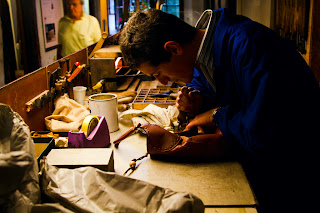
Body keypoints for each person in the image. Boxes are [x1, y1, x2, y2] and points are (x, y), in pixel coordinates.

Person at [119, 8, 320, 212]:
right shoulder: (203, 52)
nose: (162, 82)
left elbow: (265, 132)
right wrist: (198, 100)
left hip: (293, 175)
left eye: (158, 73)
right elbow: (212, 83)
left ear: (173, 49)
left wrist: (215, 115)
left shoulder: (249, 46)